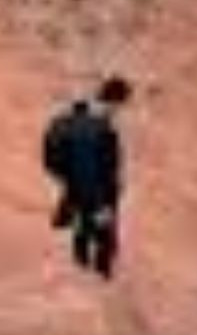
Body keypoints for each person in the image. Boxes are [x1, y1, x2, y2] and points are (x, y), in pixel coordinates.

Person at [42, 76, 132, 279]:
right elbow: (89, 170)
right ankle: (98, 283)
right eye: (122, 104)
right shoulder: (95, 127)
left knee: (84, 232)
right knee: (103, 243)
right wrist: (101, 205)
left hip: (81, 190)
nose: (122, 110)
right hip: (95, 194)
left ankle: (86, 273)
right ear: (116, 101)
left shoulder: (81, 115)